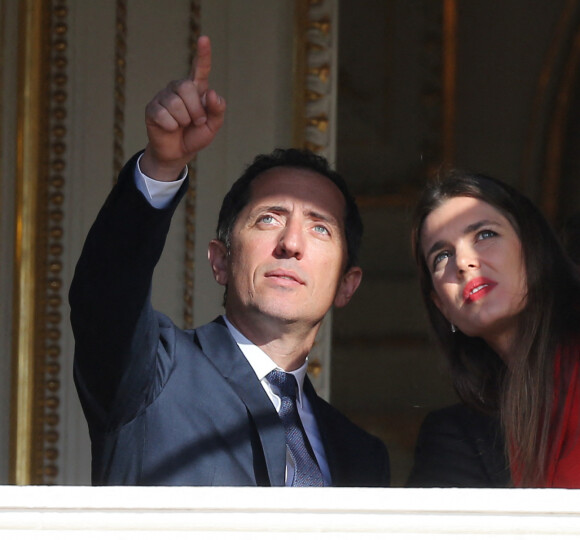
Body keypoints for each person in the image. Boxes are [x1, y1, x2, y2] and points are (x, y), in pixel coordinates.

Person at [69, 36, 390, 487]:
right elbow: (105, 291)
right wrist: (161, 167)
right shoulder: (151, 372)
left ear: (346, 285)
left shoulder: (361, 455)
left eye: (320, 228)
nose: (291, 242)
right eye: (268, 219)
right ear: (220, 261)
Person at [406, 169, 580, 488]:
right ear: (442, 306)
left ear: (531, 247)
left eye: (485, 235)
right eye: (442, 255)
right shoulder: (456, 437)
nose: (463, 262)